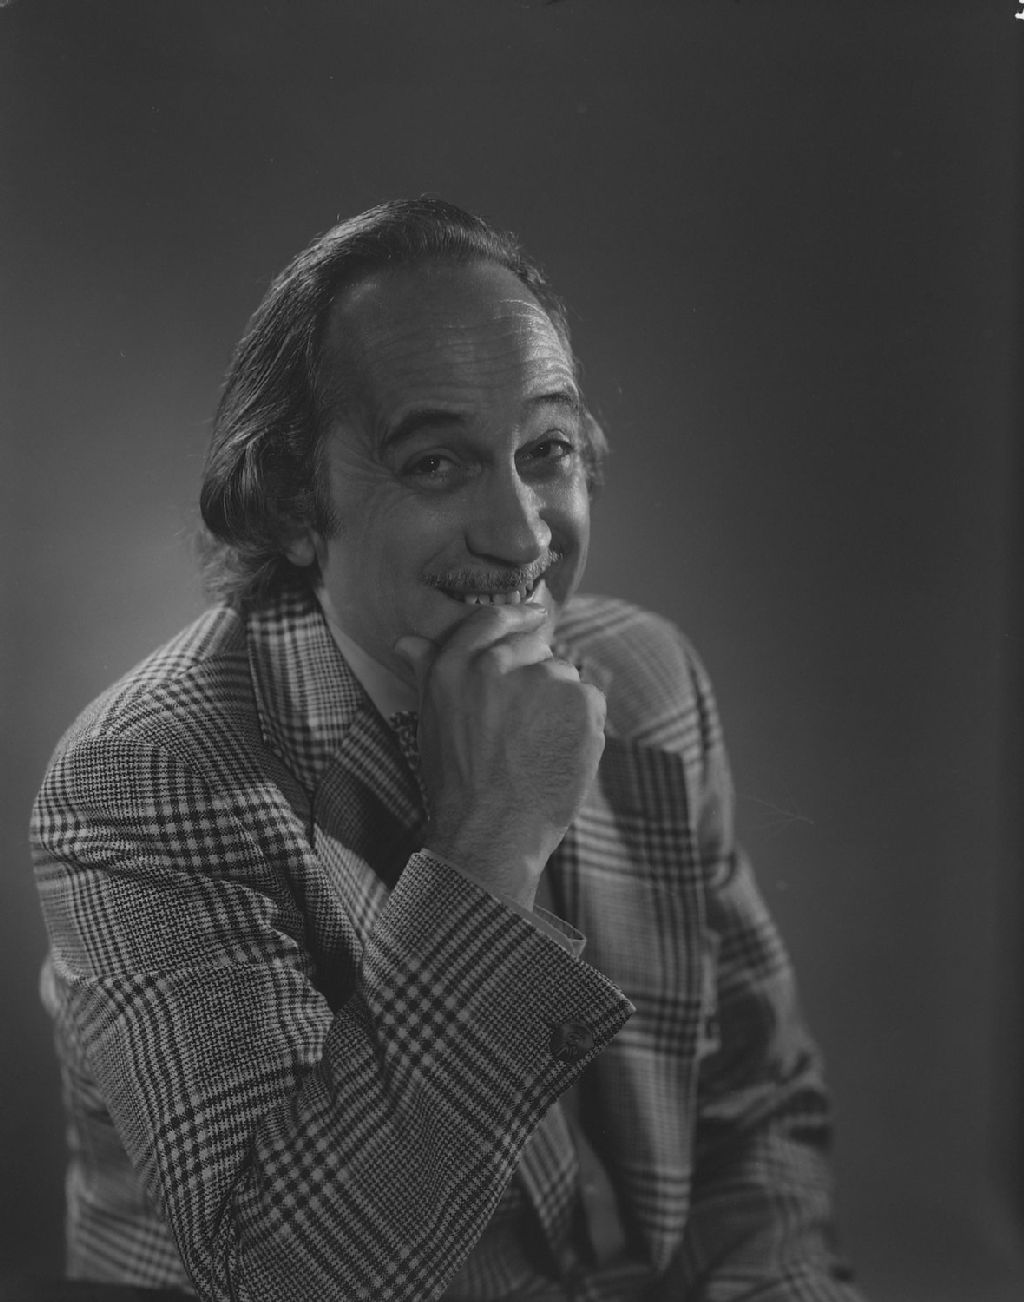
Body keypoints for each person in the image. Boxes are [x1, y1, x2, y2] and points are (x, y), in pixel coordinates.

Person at [31, 198, 865, 1301]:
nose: (522, 536)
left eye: (546, 450)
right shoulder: (147, 773)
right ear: (294, 504)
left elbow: (754, 1109)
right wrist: (493, 842)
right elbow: (285, 1278)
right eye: (434, 463)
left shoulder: (648, 677)